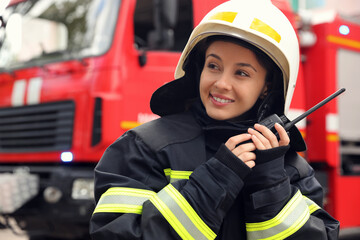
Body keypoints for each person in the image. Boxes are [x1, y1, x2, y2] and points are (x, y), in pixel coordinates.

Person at [89, 0, 340, 239]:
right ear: (199, 68)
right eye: (213, 66)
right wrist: (215, 180)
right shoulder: (143, 149)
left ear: (267, 86)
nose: (221, 83)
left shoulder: (289, 168)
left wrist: (270, 183)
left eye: (241, 73)